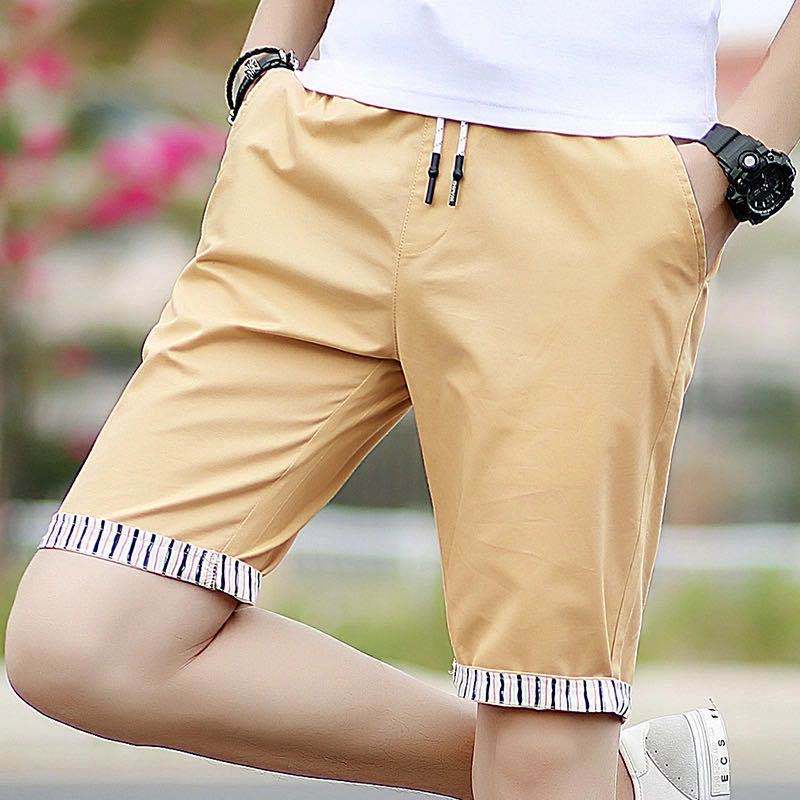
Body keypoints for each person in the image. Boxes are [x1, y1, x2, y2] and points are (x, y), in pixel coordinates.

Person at [5, 1, 798, 798]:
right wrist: (265, 67)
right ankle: (607, 780)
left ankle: (564, 773)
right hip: (320, 162)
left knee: (541, 748)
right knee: (81, 642)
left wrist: (737, 163)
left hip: (591, 189)